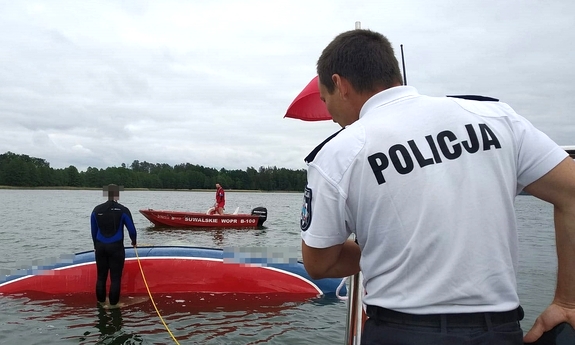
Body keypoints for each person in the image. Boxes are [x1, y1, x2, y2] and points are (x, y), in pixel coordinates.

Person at [300, 29, 575, 345]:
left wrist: (389, 247)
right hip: (499, 331)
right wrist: (568, 301)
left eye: (325, 99)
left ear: (340, 84)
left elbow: (320, 262)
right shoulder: (495, 117)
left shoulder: (339, 153)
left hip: (401, 333)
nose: (330, 115)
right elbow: (571, 192)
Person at [91, 184, 137, 307]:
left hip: (100, 247)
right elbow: (132, 230)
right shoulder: (123, 210)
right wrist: (134, 241)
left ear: (106, 194)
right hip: (116, 248)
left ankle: (101, 303)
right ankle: (113, 306)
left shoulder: (96, 210)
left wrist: (96, 246)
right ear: (117, 194)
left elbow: (93, 231)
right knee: (115, 278)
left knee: (101, 276)